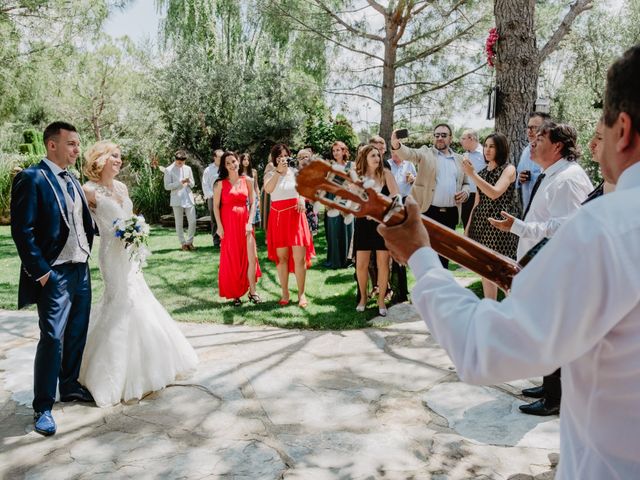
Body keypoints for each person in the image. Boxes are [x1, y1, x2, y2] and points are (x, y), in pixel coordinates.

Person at [377, 44, 640, 479]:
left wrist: (421, 258)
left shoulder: (608, 229)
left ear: (624, 130)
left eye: (603, 129)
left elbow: (487, 349)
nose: (597, 147)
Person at [78, 141, 198, 407]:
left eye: (120, 157)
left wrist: (137, 230)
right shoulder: (88, 190)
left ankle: (151, 366)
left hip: (131, 253)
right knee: (119, 301)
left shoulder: (121, 187)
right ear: (102, 159)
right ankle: (110, 374)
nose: (120, 161)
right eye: (115, 157)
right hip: (111, 253)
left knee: (139, 299)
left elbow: (128, 216)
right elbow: (85, 224)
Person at [10, 121, 95, 436]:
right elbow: (23, 231)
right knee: (52, 338)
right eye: (71, 143)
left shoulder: (72, 178)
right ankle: (43, 406)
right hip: (54, 273)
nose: (76, 149)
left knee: (76, 331)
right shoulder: (32, 178)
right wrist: (43, 273)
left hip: (80, 269)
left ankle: (70, 385)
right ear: (52, 145)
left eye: (77, 143)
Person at [490, 122, 593, 262]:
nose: (532, 144)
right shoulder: (553, 175)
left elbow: (565, 229)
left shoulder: (567, 180)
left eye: (539, 140)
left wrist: (520, 227)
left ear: (557, 146)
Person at [390, 124, 470, 268]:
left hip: (451, 214)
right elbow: (408, 153)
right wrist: (396, 144)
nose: (440, 138)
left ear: (450, 138)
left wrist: (465, 191)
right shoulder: (425, 153)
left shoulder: (459, 159)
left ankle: (440, 288)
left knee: (445, 255)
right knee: (427, 254)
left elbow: (466, 183)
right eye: (437, 135)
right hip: (429, 211)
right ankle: (427, 286)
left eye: (444, 135)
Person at [462, 132, 519, 300]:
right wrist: (467, 228)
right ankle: (490, 309)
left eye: (491, 146)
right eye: (485, 146)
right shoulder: (482, 172)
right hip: (481, 225)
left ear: (500, 148)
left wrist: (472, 175)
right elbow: (477, 203)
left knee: (505, 272)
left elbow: (495, 193)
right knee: (486, 272)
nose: (487, 150)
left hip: (500, 226)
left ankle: (514, 311)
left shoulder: (509, 169)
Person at [263, 143, 315, 308]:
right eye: (280, 156)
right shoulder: (270, 174)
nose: (283, 158)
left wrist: (301, 198)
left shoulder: (296, 173)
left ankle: (302, 294)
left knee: (299, 258)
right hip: (278, 219)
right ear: (275, 158)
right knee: (282, 258)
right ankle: (284, 292)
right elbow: (269, 190)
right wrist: (278, 172)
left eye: (285, 155)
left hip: (295, 217)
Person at [353, 145, 399, 317]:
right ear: (364, 157)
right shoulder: (357, 176)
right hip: (363, 224)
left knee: (383, 263)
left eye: (378, 156)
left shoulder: (386, 174)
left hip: (382, 225)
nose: (377, 159)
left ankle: (381, 300)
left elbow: (396, 200)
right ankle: (363, 298)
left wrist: (381, 214)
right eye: (373, 155)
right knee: (361, 264)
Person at [213, 151, 262, 306]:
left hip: (245, 224)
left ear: (238, 162)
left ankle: (252, 292)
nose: (232, 165)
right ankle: (236, 294)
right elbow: (215, 206)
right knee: (233, 259)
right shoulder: (220, 183)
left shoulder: (247, 180)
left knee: (251, 258)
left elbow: (254, 202)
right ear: (224, 166)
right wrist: (219, 227)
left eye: (233, 161)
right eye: (227, 163)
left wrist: (250, 222)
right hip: (228, 225)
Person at [387, 150, 417, 303]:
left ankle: (403, 289)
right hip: (391, 205)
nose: (395, 155)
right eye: (392, 152)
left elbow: (417, 183)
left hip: (406, 203)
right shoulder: (387, 164)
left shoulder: (409, 164)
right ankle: (395, 289)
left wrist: (413, 179)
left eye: (397, 152)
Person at [324, 141, 354, 269]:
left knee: (347, 229)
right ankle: (335, 260)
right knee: (335, 230)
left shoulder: (351, 165)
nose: (335, 152)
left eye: (338, 150)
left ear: (344, 151)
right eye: (334, 150)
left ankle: (348, 259)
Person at [164, 150, 196, 251]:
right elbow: (167, 186)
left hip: (188, 197)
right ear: (175, 159)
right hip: (176, 198)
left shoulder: (188, 168)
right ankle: (183, 243)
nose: (181, 164)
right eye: (179, 162)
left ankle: (189, 242)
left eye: (182, 162)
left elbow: (193, 184)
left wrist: (189, 181)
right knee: (179, 223)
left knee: (193, 221)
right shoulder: (169, 170)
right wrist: (179, 182)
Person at [516, 112, 550, 210]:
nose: (530, 131)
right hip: (529, 210)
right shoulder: (526, 151)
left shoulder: (553, 152)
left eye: (534, 127)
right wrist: (519, 178)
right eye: (528, 127)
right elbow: (518, 175)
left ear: (546, 129)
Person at [459, 129, 486, 229]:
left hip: (482, 197)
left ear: (471, 138)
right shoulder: (464, 156)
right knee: (467, 225)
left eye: (463, 138)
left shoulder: (485, 154)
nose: (460, 141)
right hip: (466, 197)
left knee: (480, 227)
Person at [202, 149, 223, 247]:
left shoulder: (226, 167)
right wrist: (212, 195)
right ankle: (216, 240)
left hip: (225, 197)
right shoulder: (208, 170)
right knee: (214, 219)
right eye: (220, 157)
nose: (222, 159)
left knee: (226, 218)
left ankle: (226, 240)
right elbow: (205, 184)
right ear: (215, 157)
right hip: (212, 198)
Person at [296, 149, 319, 236]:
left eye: (306, 157)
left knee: (309, 233)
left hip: (310, 205)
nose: (304, 159)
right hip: (298, 205)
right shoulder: (294, 172)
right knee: (299, 233)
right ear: (298, 160)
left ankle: (310, 249)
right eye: (301, 157)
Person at [239, 152, 261, 228]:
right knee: (244, 219)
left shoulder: (254, 171)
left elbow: (256, 186)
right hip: (243, 197)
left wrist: (259, 199)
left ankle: (252, 236)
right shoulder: (238, 172)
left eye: (248, 160)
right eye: (244, 159)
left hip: (253, 197)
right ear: (241, 160)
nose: (246, 161)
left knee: (252, 219)